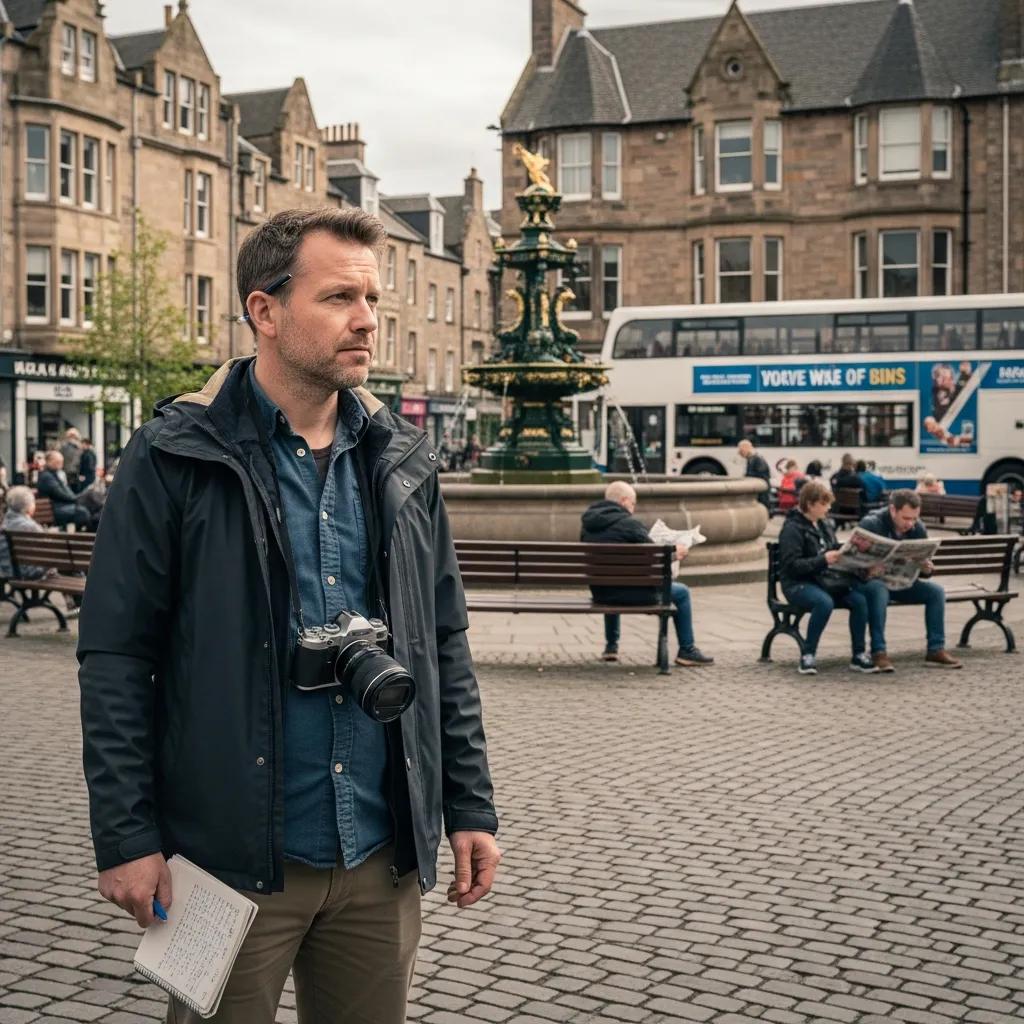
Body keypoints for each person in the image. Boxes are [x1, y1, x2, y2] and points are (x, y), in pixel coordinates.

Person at [77, 207, 500, 1024]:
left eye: (372, 299)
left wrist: (470, 805)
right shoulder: (176, 452)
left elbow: (443, 642)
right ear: (263, 312)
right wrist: (127, 836)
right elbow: (117, 656)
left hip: (381, 857)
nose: (368, 320)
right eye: (340, 296)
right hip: (227, 858)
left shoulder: (403, 458)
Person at [580, 480, 713, 667]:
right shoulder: (630, 525)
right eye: (633, 504)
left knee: (612, 580)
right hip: (634, 594)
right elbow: (656, 558)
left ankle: (611, 646)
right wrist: (675, 554)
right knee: (681, 592)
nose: (633, 509)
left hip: (602, 593)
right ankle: (687, 650)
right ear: (625, 501)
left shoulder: (588, 525)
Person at [778, 480, 890, 675]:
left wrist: (853, 552)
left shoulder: (824, 524)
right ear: (810, 504)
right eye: (824, 503)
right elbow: (791, 567)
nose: (829, 508)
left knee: (860, 601)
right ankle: (808, 654)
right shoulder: (792, 529)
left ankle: (858, 655)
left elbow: (833, 549)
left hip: (826, 580)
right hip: (799, 584)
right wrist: (823, 560)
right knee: (824, 603)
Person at [859, 489, 962, 668]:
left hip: (902, 583)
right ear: (893, 510)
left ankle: (935, 650)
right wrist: (868, 569)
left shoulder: (918, 528)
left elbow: (921, 570)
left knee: (936, 592)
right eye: (906, 518)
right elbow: (853, 564)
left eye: (914, 518)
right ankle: (878, 652)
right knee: (879, 589)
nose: (910, 523)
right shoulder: (872, 524)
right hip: (871, 585)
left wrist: (926, 568)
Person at [0, 486, 53, 581]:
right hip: (28, 572)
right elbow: (49, 549)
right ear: (28, 506)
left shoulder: (5, 523)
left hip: (7, 570)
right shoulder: (31, 527)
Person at [36, 451, 93, 529]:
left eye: (61, 462)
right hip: (56, 509)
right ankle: (84, 537)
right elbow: (59, 494)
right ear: (49, 461)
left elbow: (65, 492)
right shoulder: (47, 476)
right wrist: (76, 499)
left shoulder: (53, 474)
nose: (61, 464)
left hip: (61, 506)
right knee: (83, 512)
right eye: (58, 462)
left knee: (91, 507)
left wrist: (76, 498)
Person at [738, 439, 770, 508]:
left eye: (741, 450)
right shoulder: (753, 459)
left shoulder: (756, 459)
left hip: (761, 493)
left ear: (746, 448)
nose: (739, 453)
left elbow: (761, 476)